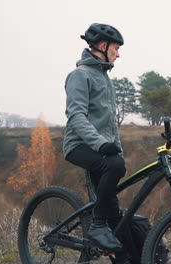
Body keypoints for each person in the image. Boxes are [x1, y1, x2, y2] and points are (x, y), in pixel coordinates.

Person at [63, 23, 126, 252]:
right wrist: (102, 146)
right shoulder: (79, 76)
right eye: (116, 49)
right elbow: (76, 117)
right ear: (102, 45)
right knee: (115, 167)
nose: (118, 54)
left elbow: (110, 125)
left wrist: (116, 150)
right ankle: (97, 225)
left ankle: (119, 252)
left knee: (114, 211)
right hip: (78, 146)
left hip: (101, 150)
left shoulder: (105, 79)